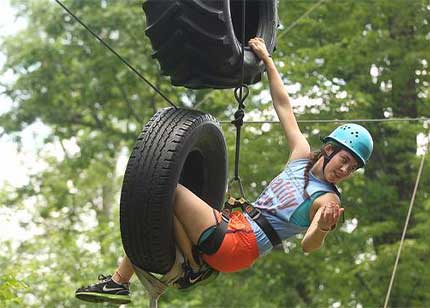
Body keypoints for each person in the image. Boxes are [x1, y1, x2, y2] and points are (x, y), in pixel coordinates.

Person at [75, 37, 374, 305]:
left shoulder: (329, 202)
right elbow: (284, 107)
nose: (345, 169)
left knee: (163, 185)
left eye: (352, 167)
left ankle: (173, 269)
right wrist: (268, 62)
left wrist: (321, 227)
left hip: (242, 243)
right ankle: (136, 278)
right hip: (233, 227)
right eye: (344, 159)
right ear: (331, 149)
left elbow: (310, 245)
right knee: (159, 207)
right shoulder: (300, 156)